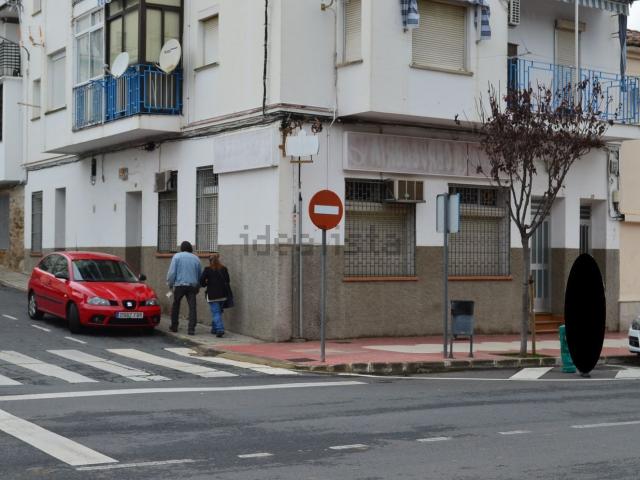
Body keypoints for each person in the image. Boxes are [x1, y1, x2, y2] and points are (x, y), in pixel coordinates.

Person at [167, 241, 202, 335]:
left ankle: (174, 326)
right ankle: (191, 329)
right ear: (190, 248)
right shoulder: (196, 258)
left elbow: (172, 273)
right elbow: (200, 274)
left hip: (179, 285)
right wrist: (198, 286)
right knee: (192, 307)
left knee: (176, 305)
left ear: (181, 248)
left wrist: (170, 284)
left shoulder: (177, 257)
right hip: (192, 286)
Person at [199, 253, 231, 337]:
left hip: (212, 295)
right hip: (223, 295)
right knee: (218, 312)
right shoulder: (224, 269)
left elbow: (201, 281)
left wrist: (206, 283)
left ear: (210, 261)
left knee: (216, 312)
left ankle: (220, 329)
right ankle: (214, 329)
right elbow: (228, 280)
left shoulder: (207, 269)